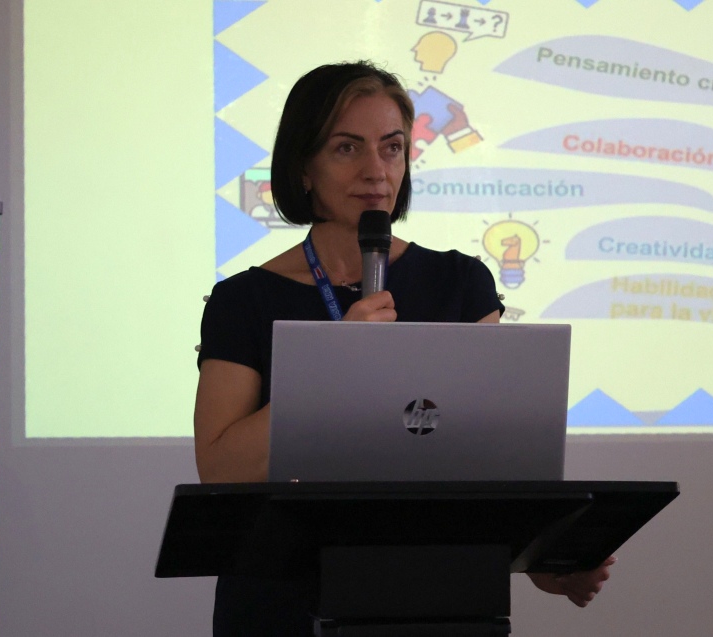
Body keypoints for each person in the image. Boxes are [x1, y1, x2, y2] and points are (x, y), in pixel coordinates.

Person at [194, 60, 613, 636]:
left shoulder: (460, 284)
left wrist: (541, 562)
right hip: (283, 602)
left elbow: (489, 462)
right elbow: (220, 468)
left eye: (392, 148)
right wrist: (335, 366)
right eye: (347, 148)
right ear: (303, 168)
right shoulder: (244, 300)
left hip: (437, 596)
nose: (376, 170)